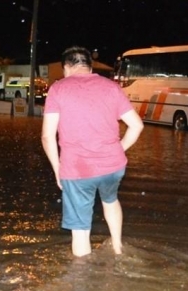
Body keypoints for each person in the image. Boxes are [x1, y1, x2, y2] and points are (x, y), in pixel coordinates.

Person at [41, 46, 144, 257]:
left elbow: (47, 136)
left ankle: (83, 279)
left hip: (77, 170)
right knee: (111, 200)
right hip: (112, 167)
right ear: (89, 66)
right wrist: (118, 149)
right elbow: (137, 126)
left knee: (80, 231)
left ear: (67, 67)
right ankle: (117, 248)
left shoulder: (58, 89)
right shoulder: (111, 87)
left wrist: (57, 168)